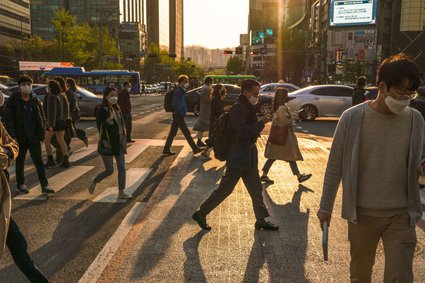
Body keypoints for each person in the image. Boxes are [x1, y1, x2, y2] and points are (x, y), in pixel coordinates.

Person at [317, 54, 424, 282]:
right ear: (382, 87)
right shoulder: (352, 118)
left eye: (411, 94)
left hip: (402, 214)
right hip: (362, 215)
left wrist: (422, 169)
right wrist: (325, 207)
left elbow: (416, 165)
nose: (406, 99)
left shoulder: (415, 120)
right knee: (360, 275)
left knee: (400, 276)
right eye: (401, 93)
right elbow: (334, 165)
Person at [192, 79, 278, 231]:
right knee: (225, 190)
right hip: (238, 157)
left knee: (256, 189)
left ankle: (261, 219)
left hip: (248, 156)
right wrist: (262, 122)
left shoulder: (247, 107)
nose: (257, 97)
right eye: (255, 94)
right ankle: (201, 212)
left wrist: (260, 122)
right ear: (246, 92)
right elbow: (243, 132)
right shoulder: (239, 109)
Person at [0, 94, 52, 282]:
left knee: (17, 241)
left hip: (1, 196)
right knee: (16, 241)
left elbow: (12, 143)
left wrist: (6, 152)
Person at [3, 75, 54, 195]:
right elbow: (8, 119)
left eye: (29, 84)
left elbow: (41, 117)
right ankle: (20, 185)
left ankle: (44, 185)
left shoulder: (35, 100)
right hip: (19, 138)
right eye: (24, 84)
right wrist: (12, 136)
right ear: (19, 87)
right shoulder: (13, 100)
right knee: (20, 162)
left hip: (34, 137)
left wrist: (41, 133)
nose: (27, 86)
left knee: (39, 162)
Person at [88, 87, 132, 199]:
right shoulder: (101, 109)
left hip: (118, 143)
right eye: (112, 95)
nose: (114, 97)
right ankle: (95, 180)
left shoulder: (117, 109)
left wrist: (124, 139)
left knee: (122, 167)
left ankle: (121, 192)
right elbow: (100, 126)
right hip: (107, 143)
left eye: (115, 95)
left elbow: (122, 126)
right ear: (106, 96)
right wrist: (109, 121)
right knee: (109, 170)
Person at [261, 88, 312, 184]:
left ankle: (264, 175)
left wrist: (296, 114)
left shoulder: (281, 106)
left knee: (276, 156)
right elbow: (284, 121)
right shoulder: (281, 108)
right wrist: (291, 121)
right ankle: (299, 176)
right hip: (284, 136)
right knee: (289, 156)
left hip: (282, 136)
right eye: (286, 95)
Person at [163, 75, 203, 156]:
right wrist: (180, 111)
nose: (187, 83)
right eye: (186, 81)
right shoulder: (178, 91)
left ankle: (166, 149)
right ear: (181, 82)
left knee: (172, 133)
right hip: (178, 115)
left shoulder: (181, 91)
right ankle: (195, 148)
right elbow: (175, 103)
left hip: (178, 115)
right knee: (186, 133)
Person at [43, 80, 70, 168]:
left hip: (54, 123)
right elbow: (66, 110)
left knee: (46, 141)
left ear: (51, 88)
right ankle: (66, 160)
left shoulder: (51, 97)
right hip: (62, 122)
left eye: (48, 86)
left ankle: (50, 160)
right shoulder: (62, 95)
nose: (47, 88)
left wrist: (50, 125)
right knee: (61, 141)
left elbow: (52, 112)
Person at [200, 84, 227, 160]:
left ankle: (206, 153)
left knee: (214, 138)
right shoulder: (215, 100)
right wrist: (225, 110)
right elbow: (218, 111)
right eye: (221, 89)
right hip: (215, 122)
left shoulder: (218, 98)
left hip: (217, 122)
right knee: (213, 138)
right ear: (218, 90)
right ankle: (204, 153)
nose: (223, 90)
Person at [66, 78, 88, 147]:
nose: (65, 84)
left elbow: (69, 104)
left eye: (66, 82)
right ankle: (82, 137)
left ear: (68, 84)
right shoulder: (72, 91)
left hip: (72, 113)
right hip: (75, 113)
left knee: (71, 130)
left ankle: (83, 136)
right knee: (71, 129)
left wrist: (69, 114)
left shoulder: (69, 92)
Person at [193, 77, 213, 147]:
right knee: (206, 126)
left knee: (203, 126)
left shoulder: (205, 88)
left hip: (204, 109)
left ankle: (202, 140)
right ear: (209, 82)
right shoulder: (207, 89)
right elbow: (207, 100)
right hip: (206, 110)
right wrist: (212, 100)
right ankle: (206, 140)